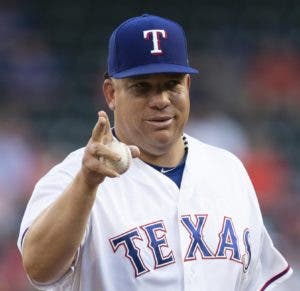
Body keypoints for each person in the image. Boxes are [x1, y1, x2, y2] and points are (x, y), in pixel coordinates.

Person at [18, 14, 292, 291]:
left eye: (171, 85)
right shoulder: (73, 177)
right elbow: (39, 269)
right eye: (142, 87)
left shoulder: (228, 169)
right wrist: (86, 184)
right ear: (111, 93)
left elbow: (259, 281)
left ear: (187, 86)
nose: (160, 101)